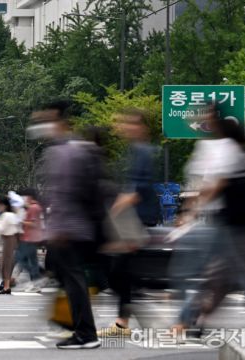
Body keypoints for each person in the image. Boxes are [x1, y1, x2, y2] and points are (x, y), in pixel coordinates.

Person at [171, 103, 245, 334]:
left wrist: (190, 213)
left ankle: (188, 320)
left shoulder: (227, 147)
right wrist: (187, 212)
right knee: (219, 277)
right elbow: (201, 185)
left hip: (241, 224)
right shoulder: (206, 147)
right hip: (225, 221)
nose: (198, 120)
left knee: (239, 277)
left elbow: (214, 185)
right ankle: (192, 320)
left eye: (204, 115)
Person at [29, 101, 102, 349]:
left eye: (45, 120)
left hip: (69, 228)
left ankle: (84, 332)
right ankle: (76, 326)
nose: (42, 126)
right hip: (74, 226)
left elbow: (65, 193)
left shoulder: (64, 152)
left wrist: (57, 229)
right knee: (69, 278)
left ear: (60, 121)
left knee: (73, 279)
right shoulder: (69, 149)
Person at [97, 109, 161, 338]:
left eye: (130, 123)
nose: (125, 128)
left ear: (142, 127)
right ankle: (127, 318)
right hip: (135, 218)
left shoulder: (143, 151)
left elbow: (137, 190)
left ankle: (128, 318)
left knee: (118, 272)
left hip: (137, 219)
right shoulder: (136, 151)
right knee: (122, 272)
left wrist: (113, 212)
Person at [15, 189, 45, 293]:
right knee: (33, 262)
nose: (24, 199)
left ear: (29, 197)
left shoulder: (33, 208)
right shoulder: (36, 207)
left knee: (21, 259)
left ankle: (38, 278)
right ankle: (36, 283)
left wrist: (21, 221)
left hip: (29, 238)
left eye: (25, 197)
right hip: (31, 238)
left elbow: (34, 224)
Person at [0, 196, 21, 295]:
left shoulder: (6, 215)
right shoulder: (10, 215)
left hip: (8, 239)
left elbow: (0, 228)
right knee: (5, 263)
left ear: (4, 205)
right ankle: (7, 285)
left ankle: (7, 286)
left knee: (6, 263)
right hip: (9, 239)